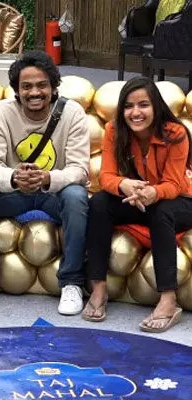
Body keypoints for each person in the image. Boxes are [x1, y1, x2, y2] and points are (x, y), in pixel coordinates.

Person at [0, 50, 90, 315]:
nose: (34, 92)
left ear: (53, 87)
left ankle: (72, 282)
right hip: (14, 193)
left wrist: (48, 178)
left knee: (77, 196)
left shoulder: (72, 113)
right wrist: (13, 177)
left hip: (52, 193)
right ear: (17, 90)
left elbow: (79, 170)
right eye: (26, 86)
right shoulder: (2, 112)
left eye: (42, 85)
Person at [84, 77, 191, 332]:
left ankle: (168, 300)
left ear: (156, 106)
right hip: (137, 195)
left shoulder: (175, 134)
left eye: (143, 105)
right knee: (99, 203)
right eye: (129, 106)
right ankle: (98, 288)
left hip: (179, 201)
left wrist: (153, 192)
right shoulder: (114, 130)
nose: (135, 112)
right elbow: (106, 177)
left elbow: (174, 184)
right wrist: (125, 185)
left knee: (162, 211)